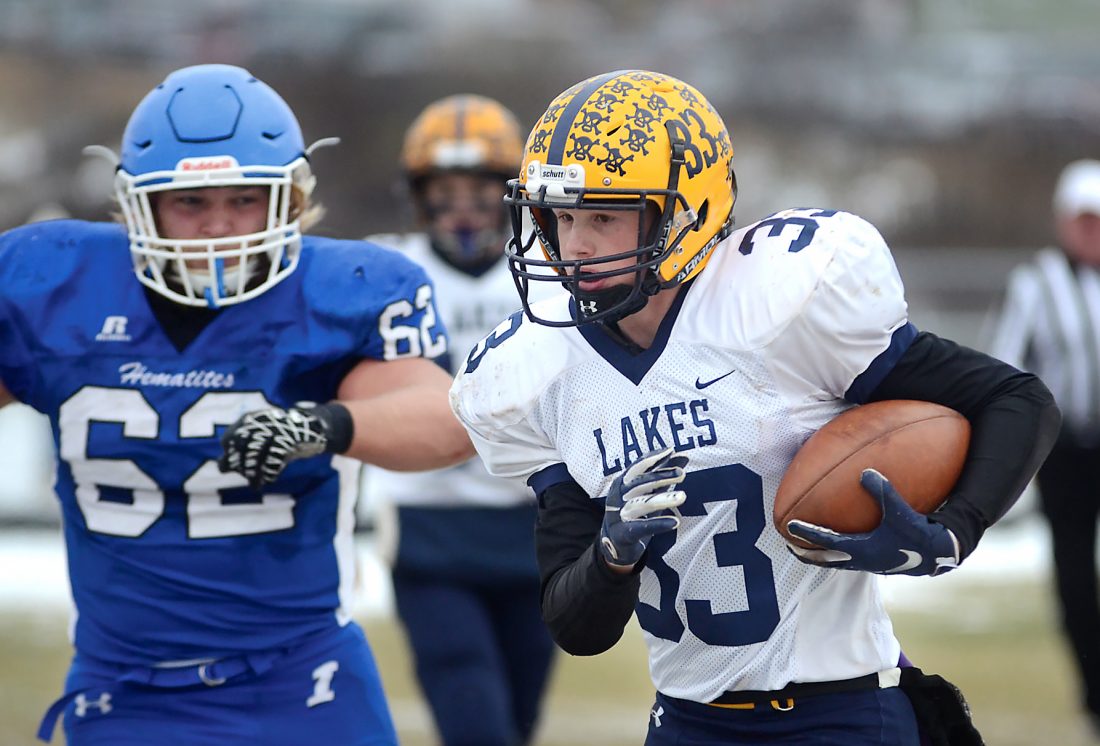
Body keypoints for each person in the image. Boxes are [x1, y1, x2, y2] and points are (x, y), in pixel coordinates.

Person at [449, 69, 1061, 746]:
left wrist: (954, 531)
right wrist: (610, 557)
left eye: (602, 216)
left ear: (684, 211)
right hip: (687, 723)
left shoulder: (774, 307)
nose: (576, 246)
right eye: (561, 218)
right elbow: (577, 628)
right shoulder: (544, 369)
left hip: (844, 711)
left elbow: (1016, 398)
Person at [0, 63, 474, 746]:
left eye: (244, 199)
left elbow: (444, 419)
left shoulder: (345, 288)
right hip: (123, 690)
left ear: (289, 200)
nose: (218, 226)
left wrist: (324, 425)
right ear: (139, 205)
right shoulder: (54, 282)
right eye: (191, 202)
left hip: (302, 679)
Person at [362, 94, 557, 746]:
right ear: (420, 196)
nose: (464, 208)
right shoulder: (386, 271)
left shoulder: (553, 269)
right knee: (472, 712)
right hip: (429, 526)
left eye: (479, 191)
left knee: (518, 719)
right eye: (445, 191)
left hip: (536, 522)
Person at [990, 158, 1100, 734]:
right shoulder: (1034, 284)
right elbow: (1006, 369)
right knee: (1075, 575)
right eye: (1085, 220)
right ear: (1064, 221)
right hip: (1069, 451)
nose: (1093, 231)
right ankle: (1095, 691)